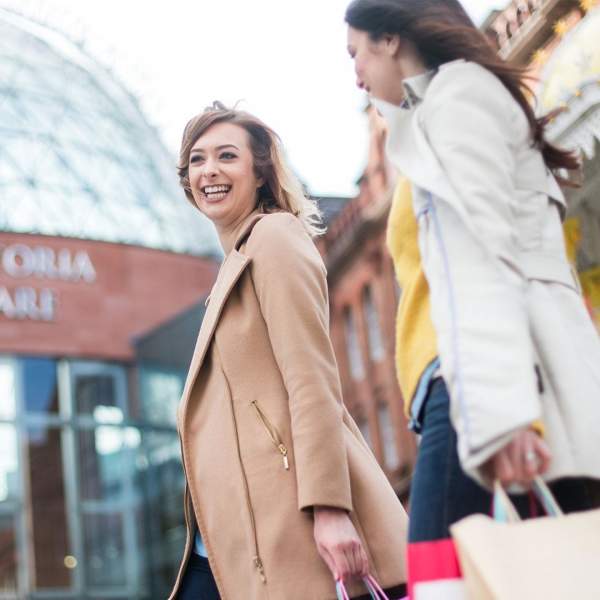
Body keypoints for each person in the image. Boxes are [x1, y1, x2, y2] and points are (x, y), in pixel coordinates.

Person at [344, 0, 600, 548]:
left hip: (475, 387)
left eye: (356, 52)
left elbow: (482, 257)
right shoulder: (433, 113)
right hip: (470, 383)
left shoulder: (457, 98)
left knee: (441, 570)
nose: (355, 73)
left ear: (390, 39)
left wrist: (504, 415)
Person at [168, 103, 409, 600]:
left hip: (289, 526)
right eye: (197, 160)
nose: (209, 170)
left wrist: (330, 508)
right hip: (231, 538)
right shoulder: (235, 264)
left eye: (226, 156)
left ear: (260, 172)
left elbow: (311, 379)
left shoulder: (273, 237)